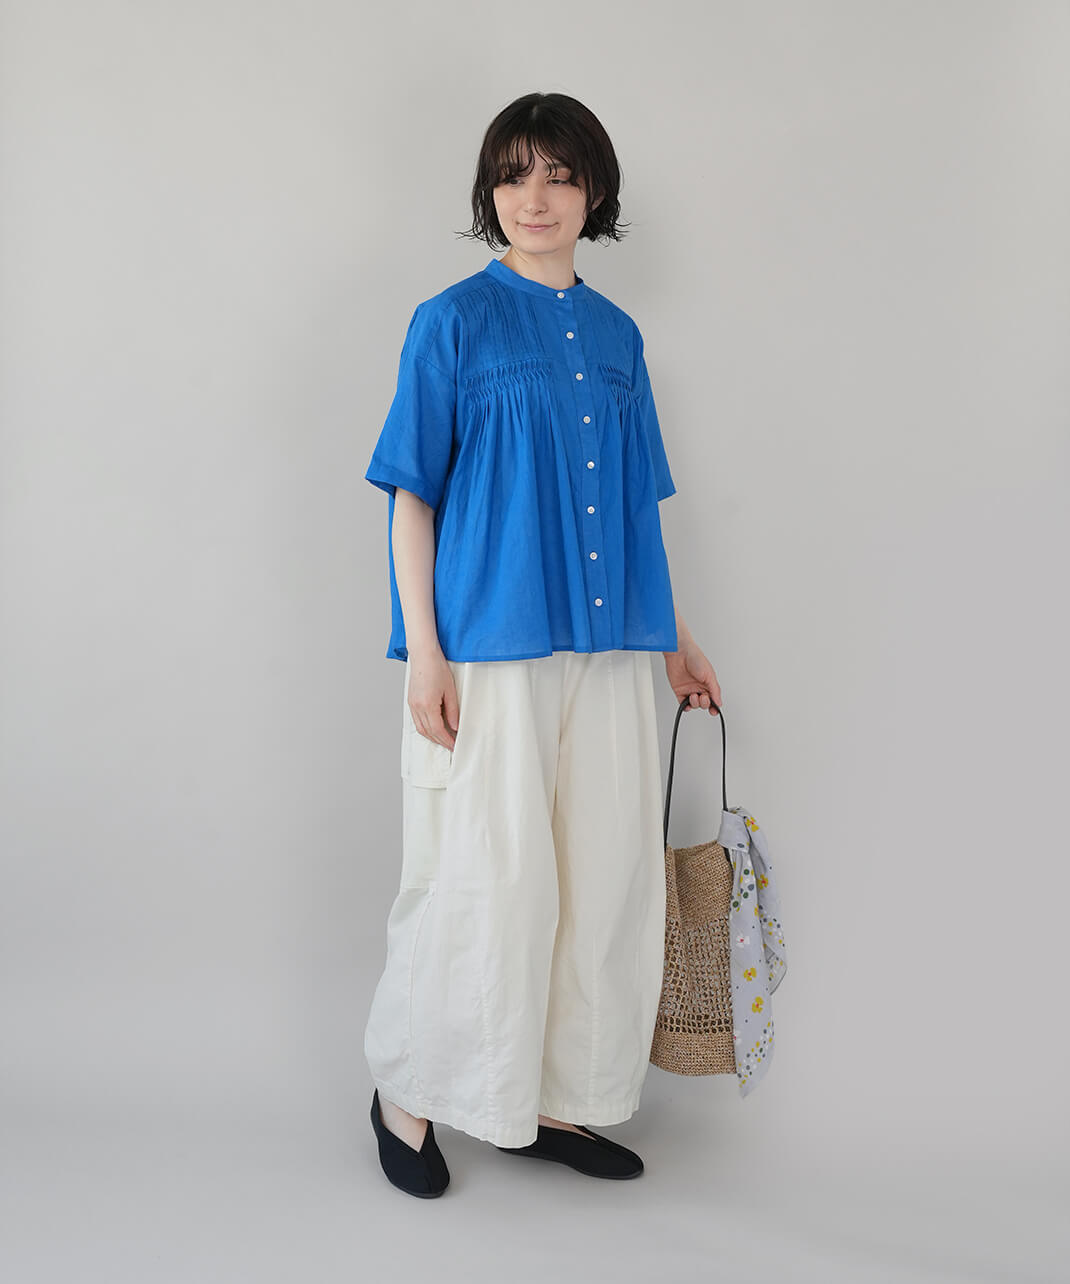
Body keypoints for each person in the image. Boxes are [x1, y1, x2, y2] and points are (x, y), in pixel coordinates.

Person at [362, 92, 722, 1198]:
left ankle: (560, 1099)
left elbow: (636, 505)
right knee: (485, 876)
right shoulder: (451, 321)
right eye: (515, 174)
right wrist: (425, 653)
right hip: (488, 645)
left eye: (560, 175)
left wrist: (677, 641)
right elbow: (411, 495)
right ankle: (412, 1092)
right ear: (490, 192)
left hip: (610, 647)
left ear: (593, 192)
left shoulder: (618, 338)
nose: (536, 196)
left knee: (603, 880)